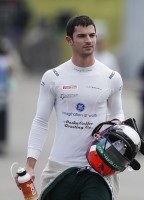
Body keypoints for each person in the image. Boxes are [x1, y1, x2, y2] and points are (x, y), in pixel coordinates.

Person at [15, 15, 124, 200]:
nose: (88, 40)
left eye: (92, 35)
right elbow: (41, 121)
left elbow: (117, 113)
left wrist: (119, 132)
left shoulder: (111, 77)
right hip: (60, 167)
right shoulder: (53, 77)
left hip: (96, 170)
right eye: (82, 36)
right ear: (69, 40)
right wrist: (30, 165)